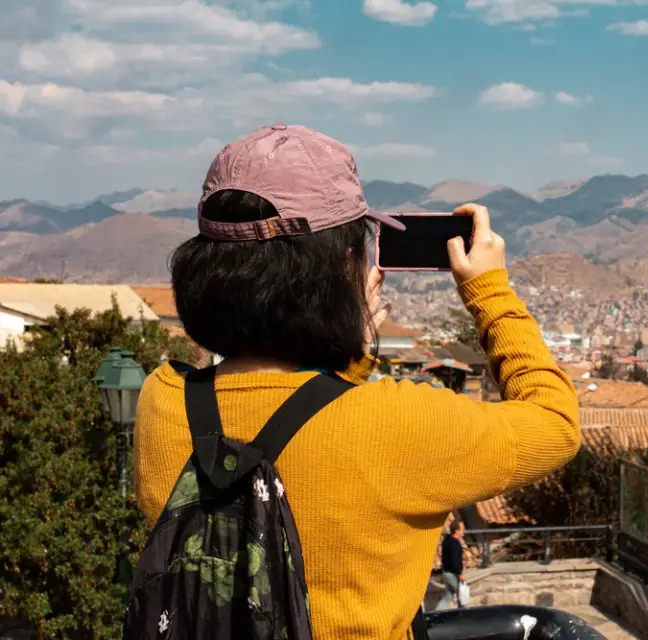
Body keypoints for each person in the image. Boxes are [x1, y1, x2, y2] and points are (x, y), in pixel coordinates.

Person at [133, 124, 581, 640]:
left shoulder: (161, 401)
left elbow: (302, 424)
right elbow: (555, 420)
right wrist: (489, 290)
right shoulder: (404, 425)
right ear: (342, 266)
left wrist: (346, 344)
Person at [436, 519, 466, 611]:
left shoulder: (447, 540)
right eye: (462, 529)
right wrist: (460, 573)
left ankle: (436, 614)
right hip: (452, 574)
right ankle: (465, 615)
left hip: (446, 573)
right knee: (462, 595)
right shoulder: (454, 543)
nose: (464, 531)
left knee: (447, 597)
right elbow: (454, 560)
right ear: (457, 530)